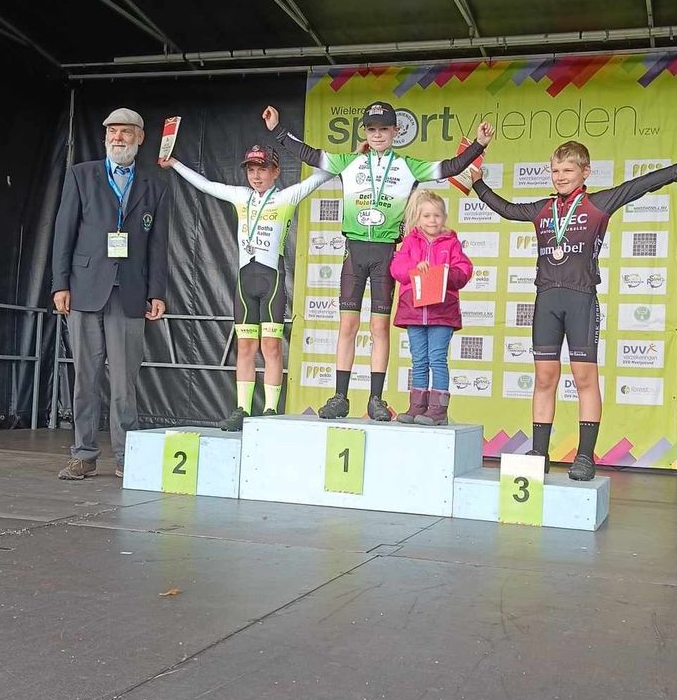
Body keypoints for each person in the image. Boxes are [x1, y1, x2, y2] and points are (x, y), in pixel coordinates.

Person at [462, 139, 677, 480]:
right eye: (555, 170)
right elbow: (508, 209)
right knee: (544, 377)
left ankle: (584, 456)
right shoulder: (543, 209)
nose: (560, 176)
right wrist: (478, 183)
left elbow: (642, 184)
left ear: (585, 172)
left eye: (568, 170)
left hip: (581, 299)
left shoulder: (598, 204)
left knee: (584, 378)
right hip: (546, 301)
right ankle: (539, 453)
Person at [262, 100, 494, 420]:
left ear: (395, 131)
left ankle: (376, 399)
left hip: (385, 252)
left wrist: (479, 144)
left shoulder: (408, 166)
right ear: (365, 132)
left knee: (379, 327)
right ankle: (340, 397)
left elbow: (450, 167)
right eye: (371, 129)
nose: (377, 135)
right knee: (347, 325)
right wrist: (277, 130)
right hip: (354, 252)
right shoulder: (350, 162)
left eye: (384, 129)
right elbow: (310, 154)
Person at [158, 144, 332, 431]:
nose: (256, 176)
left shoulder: (286, 197)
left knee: (271, 346)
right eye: (251, 170)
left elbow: (323, 174)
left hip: (272, 281)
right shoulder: (241, 196)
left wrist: (352, 154)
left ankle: (271, 409)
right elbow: (206, 185)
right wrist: (175, 163)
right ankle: (242, 408)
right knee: (245, 347)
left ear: (276, 172)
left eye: (262, 169)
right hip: (245, 282)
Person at [51, 108, 170, 480]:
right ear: (105, 137)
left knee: (123, 381)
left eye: (126, 132)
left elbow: (158, 245)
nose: (118, 138)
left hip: (130, 292)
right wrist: (60, 284)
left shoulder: (155, 185)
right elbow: (63, 232)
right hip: (85, 289)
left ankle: (125, 456)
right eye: (112, 132)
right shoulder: (81, 175)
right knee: (85, 378)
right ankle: (84, 454)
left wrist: (157, 292)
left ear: (140, 138)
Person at [389, 189, 473, 426]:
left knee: (437, 359)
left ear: (444, 217)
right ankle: (417, 406)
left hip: (442, 313)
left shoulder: (451, 243)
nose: (432, 220)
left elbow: (464, 270)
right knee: (418, 360)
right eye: (426, 216)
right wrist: (415, 266)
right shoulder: (409, 242)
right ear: (418, 218)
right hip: (414, 311)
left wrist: (446, 273)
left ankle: (438, 410)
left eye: (437, 215)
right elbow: (397, 268)